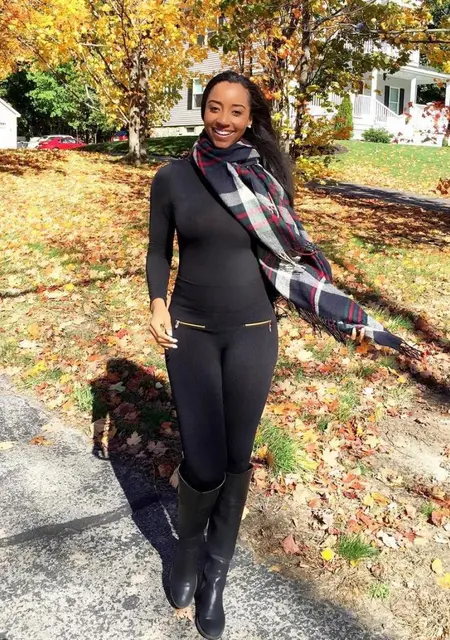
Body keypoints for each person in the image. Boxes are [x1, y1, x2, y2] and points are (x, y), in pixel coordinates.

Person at [146, 70, 419, 640]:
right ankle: (188, 552)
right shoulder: (172, 177)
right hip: (189, 331)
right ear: (203, 110)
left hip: (253, 331)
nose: (223, 120)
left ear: (251, 119)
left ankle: (216, 573)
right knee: (201, 461)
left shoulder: (265, 179)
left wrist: (333, 309)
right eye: (214, 107)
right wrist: (155, 303)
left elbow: (287, 255)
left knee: (236, 457)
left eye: (236, 111)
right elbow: (157, 251)